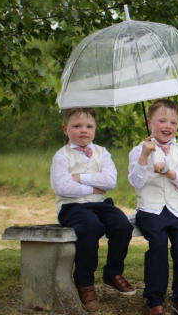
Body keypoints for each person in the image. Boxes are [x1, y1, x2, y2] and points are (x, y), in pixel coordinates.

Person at [50, 108, 136, 312]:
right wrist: (95, 186)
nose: (83, 130)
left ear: (95, 129)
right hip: (72, 207)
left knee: (122, 225)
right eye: (77, 126)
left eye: (89, 126)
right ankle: (84, 281)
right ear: (65, 129)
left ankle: (112, 272)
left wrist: (80, 177)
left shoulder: (102, 152)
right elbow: (63, 187)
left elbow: (110, 181)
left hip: (99, 203)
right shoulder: (62, 156)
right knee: (90, 226)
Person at [128, 99, 178, 315]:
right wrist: (144, 156)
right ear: (150, 122)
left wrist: (169, 172)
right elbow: (136, 182)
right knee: (158, 246)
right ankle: (154, 299)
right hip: (151, 211)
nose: (168, 126)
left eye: (173, 122)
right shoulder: (139, 151)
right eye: (162, 121)